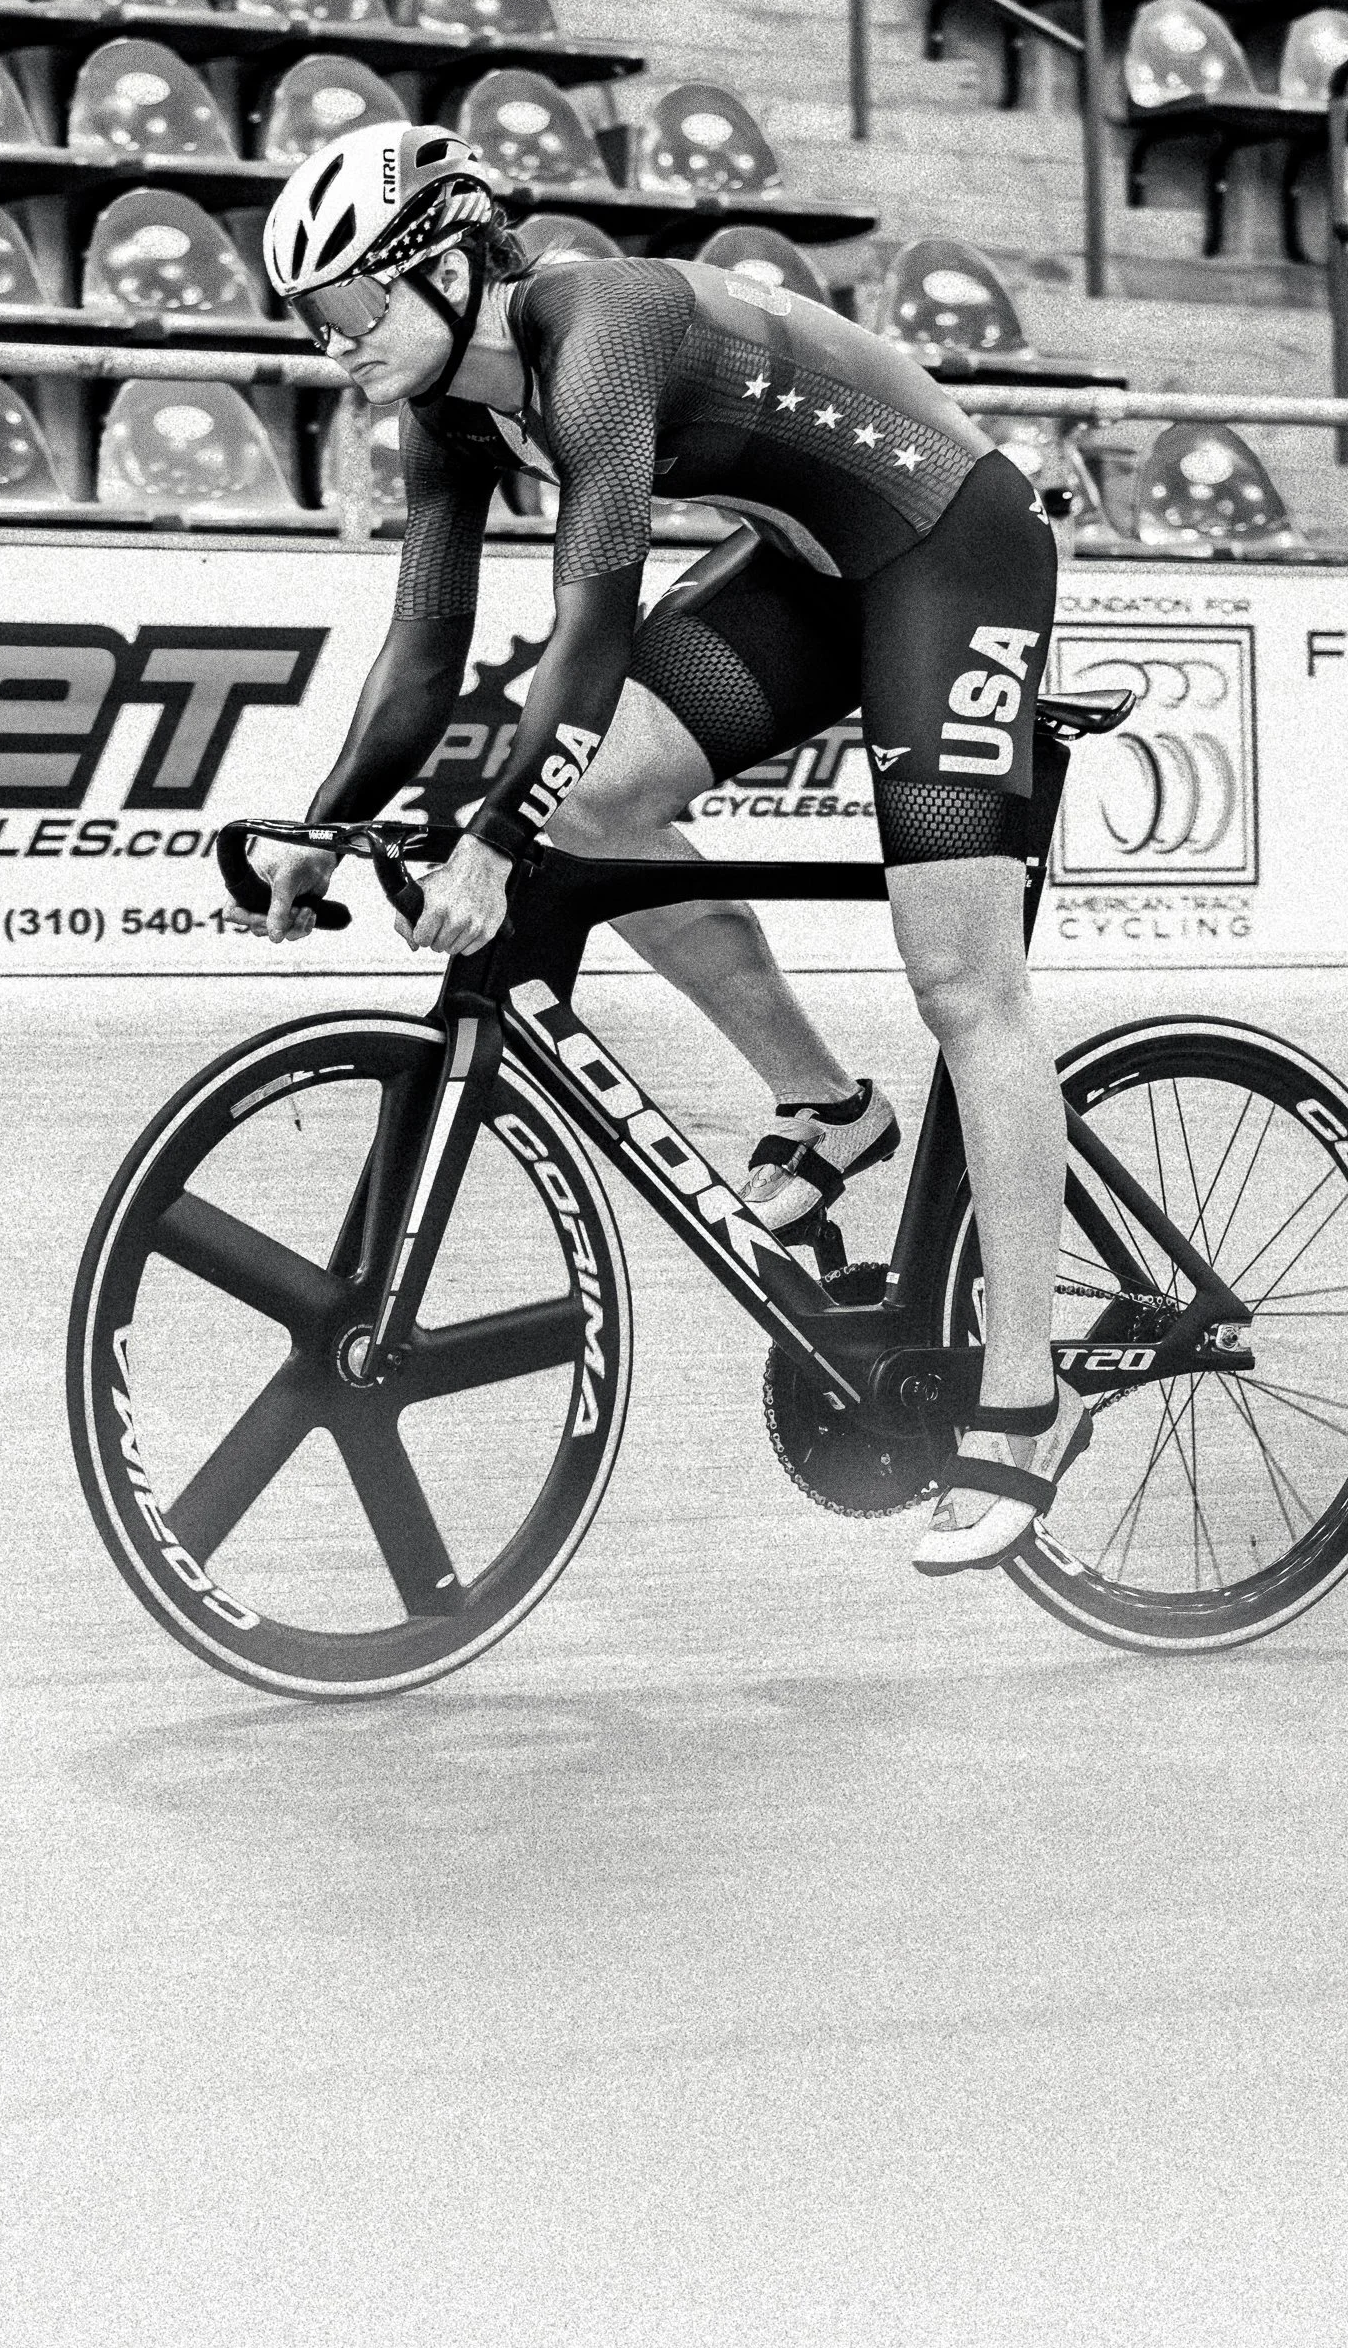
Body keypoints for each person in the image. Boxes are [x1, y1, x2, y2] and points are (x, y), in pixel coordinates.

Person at [239, 122, 1088, 1574]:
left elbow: (587, 623)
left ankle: (1027, 1401)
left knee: (963, 987)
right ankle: (825, 1108)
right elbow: (424, 652)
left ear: (446, 266)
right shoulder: (445, 412)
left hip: (953, 545)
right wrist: (327, 828)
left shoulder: (598, 329)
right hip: (812, 573)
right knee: (588, 801)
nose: (336, 347)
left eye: (352, 308)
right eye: (313, 323)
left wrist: (488, 839)